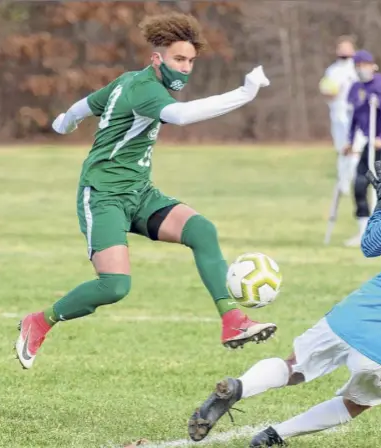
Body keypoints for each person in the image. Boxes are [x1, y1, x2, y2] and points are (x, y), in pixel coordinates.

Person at [187, 141, 381, 447]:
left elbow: (371, 245)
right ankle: (275, 436)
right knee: (355, 404)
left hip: (349, 319)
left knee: (293, 367)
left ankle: (240, 386)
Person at [15, 13, 276, 370]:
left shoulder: (127, 81)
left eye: (190, 61)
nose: (185, 68)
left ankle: (232, 320)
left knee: (202, 230)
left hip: (139, 192)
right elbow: (182, 116)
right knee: (114, 287)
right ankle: (40, 321)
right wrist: (245, 93)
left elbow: (89, 103)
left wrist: (65, 120)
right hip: (103, 194)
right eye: (178, 60)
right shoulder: (145, 90)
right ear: (157, 58)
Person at [343, 49, 381, 247]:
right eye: (358, 66)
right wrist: (350, 140)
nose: (361, 70)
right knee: (360, 183)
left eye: (364, 65)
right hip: (368, 142)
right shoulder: (355, 88)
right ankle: (363, 230)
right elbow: (354, 117)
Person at [319, 36, 360, 198]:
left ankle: (357, 180)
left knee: (355, 149)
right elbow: (327, 92)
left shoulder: (356, 70)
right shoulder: (332, 71)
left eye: (347, 48)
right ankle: (343, 182)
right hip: (338, 114)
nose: (344, 51)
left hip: (355, 115)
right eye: (341, 48)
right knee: (343, 149)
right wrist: (329, 93)